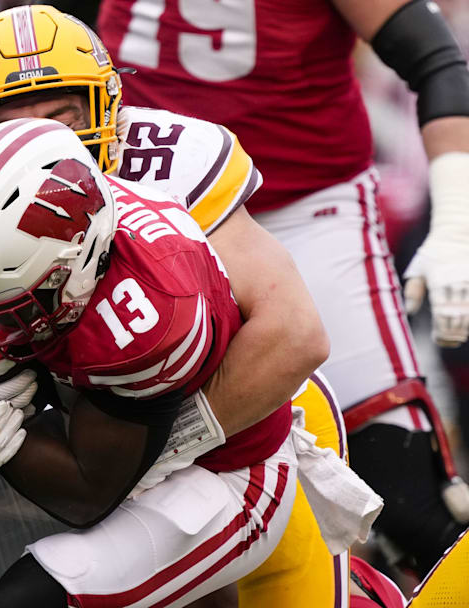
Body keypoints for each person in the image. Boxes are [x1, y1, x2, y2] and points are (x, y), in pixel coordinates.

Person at [0, 6, 354, 606]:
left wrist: (159, 454)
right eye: (12, 124)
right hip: (63, 434)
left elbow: (295, 336)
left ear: (108, 106)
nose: (49, 145)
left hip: (220, 437)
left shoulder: (170, 174)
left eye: (63, 117)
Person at [96, 0, 469, 576]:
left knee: (400, 495)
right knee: (110, 471)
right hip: (143, 207)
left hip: (303, 207)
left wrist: (457, 222)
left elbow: (436, 58)